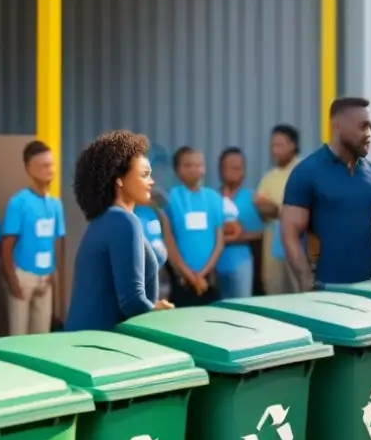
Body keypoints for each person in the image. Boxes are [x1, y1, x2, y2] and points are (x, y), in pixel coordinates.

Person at [282, 97, 371, 289]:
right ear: (337, 126)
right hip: (326, 288)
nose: (369, 134)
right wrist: (305, 279)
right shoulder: (307, 172)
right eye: (363, 126)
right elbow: (289, 232)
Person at [65, 130, 173, 331]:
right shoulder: (123, 220)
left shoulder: (108, 219)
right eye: (144, 175)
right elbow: (132, 301)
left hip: (92, 341)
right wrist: (159, 310)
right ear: (120, 179)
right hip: (99, 346)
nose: (152, 181)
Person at [1, 141, 66, 336]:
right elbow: (7, 244)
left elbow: (58, 241)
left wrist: (55, 274)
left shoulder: (55, 204)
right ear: (29, 168)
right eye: (44, 166)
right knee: (18, 334)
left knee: (41, 334)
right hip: (23, 275)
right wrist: (12, 279)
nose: (50, 170)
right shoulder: (18, 202)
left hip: (45, 278)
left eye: (52, 164)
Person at [162, 147, 225, 307]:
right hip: (180, 277)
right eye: (188, 165)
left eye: (199, 165)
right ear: (177, 170)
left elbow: (219, 241)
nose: (194, 169)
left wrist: (201, 276)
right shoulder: (170, 198)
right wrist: (189, 275)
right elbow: (169, 242)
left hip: (208, 277)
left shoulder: (214, 198)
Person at [254, 125, 301, 295]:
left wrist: (275, 208)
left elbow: (297, 209)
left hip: (297, 236)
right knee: (274, 286)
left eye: (279, 145)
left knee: (298, 286)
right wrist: (278, 208)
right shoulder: (269, 176)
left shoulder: (303, 171)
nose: (275, 150)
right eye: (273, 146)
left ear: (293, 145)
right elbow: (261, 207)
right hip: (273, 236)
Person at [216, 147, 264, 299]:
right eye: (233, 168)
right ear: (221, 170)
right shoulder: (211, 198)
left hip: (242, 262)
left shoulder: (253, 198)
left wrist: (238, 237)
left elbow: (262, 232)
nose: (239, 172)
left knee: (241, 306)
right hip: (213, 264)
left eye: (241, 168)